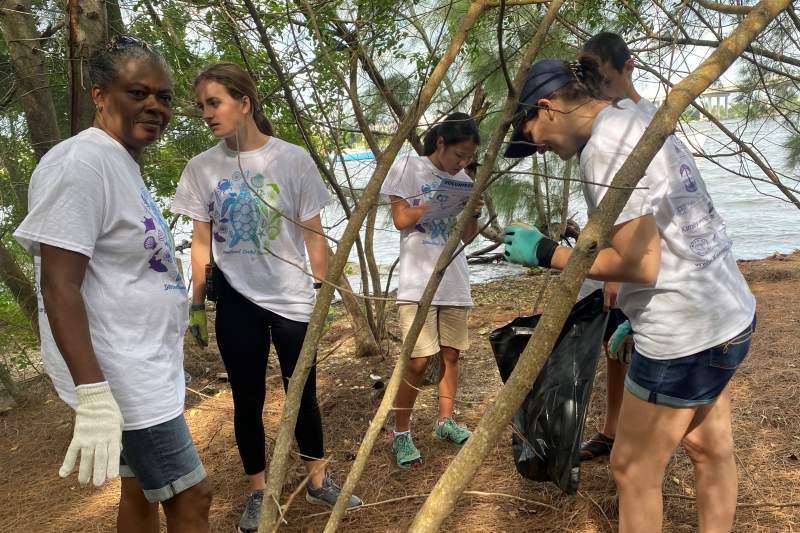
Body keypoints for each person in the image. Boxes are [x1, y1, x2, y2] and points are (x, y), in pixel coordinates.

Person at [502, 58, 756, 532]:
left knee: (632, 470)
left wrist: (545, 252)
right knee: (708, 448)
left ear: (547, 107)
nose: (539, 148)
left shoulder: (603, 147)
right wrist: (632, 320)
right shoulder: (635, 116)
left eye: (533, 133)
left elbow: (641, 263)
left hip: (682, 333)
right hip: (728, 313)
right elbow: (667, 230)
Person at [13, 35, 212, 532]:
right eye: (137, 92)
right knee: (193, 497)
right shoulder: (81, 163)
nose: (154, 106)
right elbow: (59, 287)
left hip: (144, 364)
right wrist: (96, 395)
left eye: (163, 97)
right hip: (121, 377)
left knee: (141, 493)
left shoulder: (119, 160)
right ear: (100, 95)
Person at [171, 62, 362, 533]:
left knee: (303, 394)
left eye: (214, 103)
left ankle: (317, 479)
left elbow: (314, 235)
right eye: (201, 107)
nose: (206, 114)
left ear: (244, 103)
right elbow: (200, 241)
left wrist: (323, 293)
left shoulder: (292, 159)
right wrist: (196, 303)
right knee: (247, 400)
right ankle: (259, 490)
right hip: (237, 302)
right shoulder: (201, 168)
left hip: (294, 297)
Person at [380, 112, 483, 469]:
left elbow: (466, 238)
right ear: (441, 142)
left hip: (454, 277)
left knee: (451, 354)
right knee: (418, 360)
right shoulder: (410, 166)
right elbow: (400, 219)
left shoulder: (464, 178)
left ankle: (445, 421)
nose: (463, 162)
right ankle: (401, 432)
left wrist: (471, 213)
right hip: (418, 281)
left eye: (468, 157)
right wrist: (435, 204)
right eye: (459, 154)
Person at [576, 31, 657, 461]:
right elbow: (608, 201)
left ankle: (634, 436)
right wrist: (607, 259)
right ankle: (612, 428)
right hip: (621, 247)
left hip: (644, 257)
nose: (602, 93)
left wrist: (617, 266)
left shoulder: (649, 119)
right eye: (594, 83)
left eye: (606, 80)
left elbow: (652, 201)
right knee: (616, 346)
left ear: (629, 68)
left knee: (641, 344)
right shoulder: (606, 126)